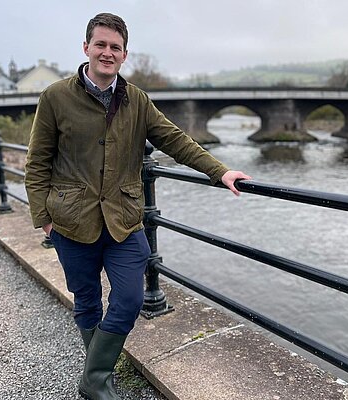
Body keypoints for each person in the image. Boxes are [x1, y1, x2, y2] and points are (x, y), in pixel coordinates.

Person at [24, 12, 251, 400]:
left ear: (124, 54)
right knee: (87, 300)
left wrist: (221, 171)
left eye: (115, 47)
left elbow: (175, 140)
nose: (107, 53)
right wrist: (44, 220)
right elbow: (37, 162)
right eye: (101, 45)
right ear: (86, 48)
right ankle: (100, 379)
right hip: (71, 221)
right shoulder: (56, 97)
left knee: (129, 299)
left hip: (124, 221)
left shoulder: (137, 101)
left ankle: (93, 378)